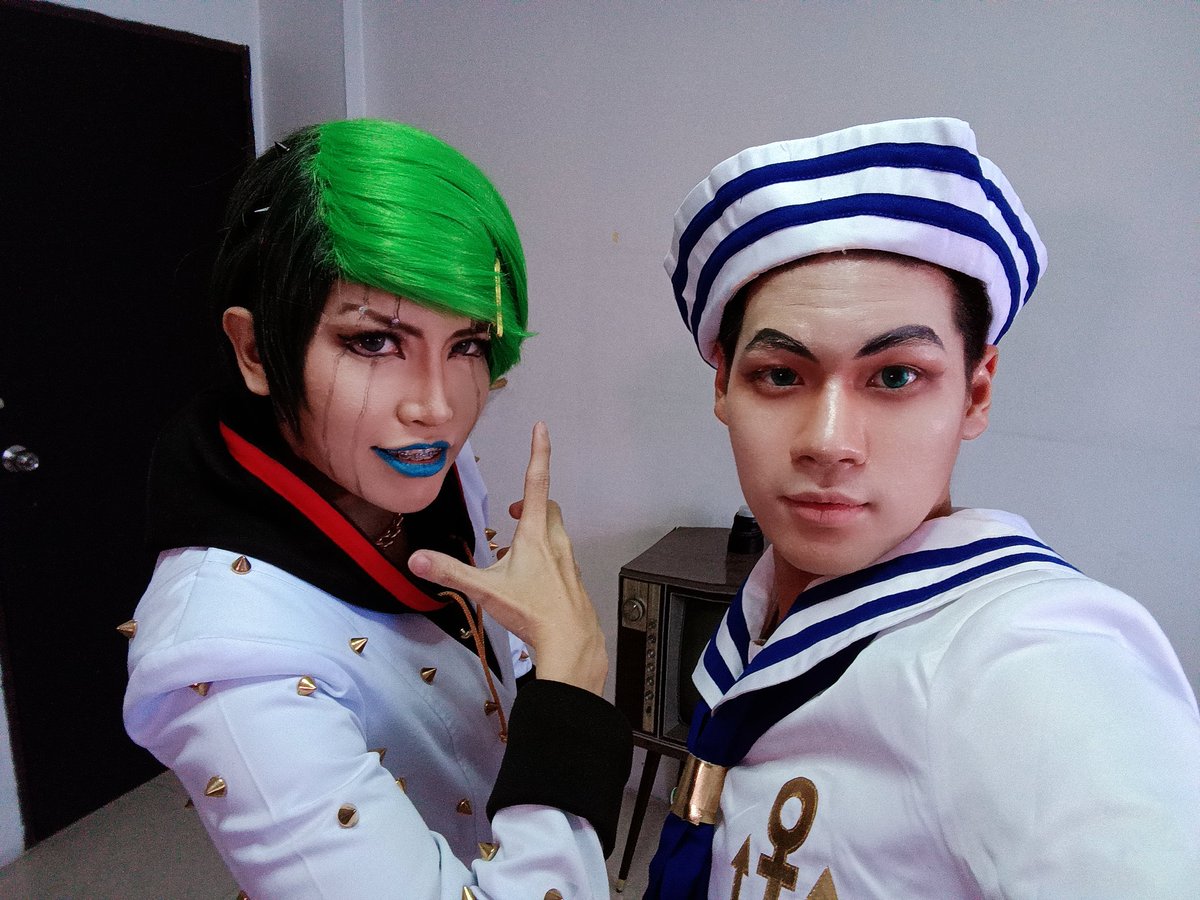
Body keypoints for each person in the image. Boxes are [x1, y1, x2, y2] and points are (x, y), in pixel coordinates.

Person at [637, 117, 1200, 897]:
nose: (829, 442)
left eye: (896, 376)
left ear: (976, 392)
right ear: (723, 387)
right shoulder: (771, 610)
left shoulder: (1030, 659)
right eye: (781, 375)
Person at [122, 118, 630, 899]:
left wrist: (537, 661)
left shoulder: (421, 469)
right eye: (373, 343)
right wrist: (571, 693)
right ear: (256, 350)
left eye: (467, 344)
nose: (437, 407)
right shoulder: (225, 651)